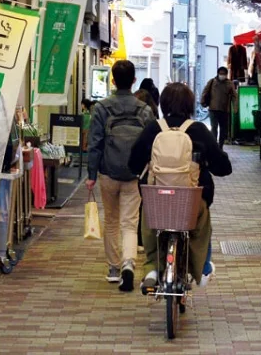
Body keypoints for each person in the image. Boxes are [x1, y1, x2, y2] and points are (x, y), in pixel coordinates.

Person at [129, 82, 232, 290]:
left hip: (157, 198)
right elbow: (223, 167)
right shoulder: (199, 130)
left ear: (163, 104)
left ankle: (152, 268)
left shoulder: (153, 129)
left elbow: (133, 163)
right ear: (189, 105)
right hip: (190, 200)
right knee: (201, 227)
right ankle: (202, 268)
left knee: (148, 219)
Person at [86, 60, 155, 291]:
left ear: (113, 81)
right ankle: (128, 263)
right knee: (129, 222)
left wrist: (91, 174)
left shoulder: (101, 108)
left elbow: (95, 143)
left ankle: (114, 269)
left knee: (111, 221)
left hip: (108, 173)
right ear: (134, 80)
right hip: (134, 175)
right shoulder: (144, 110)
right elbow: (151, 143)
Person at [201, 66, 236, 147]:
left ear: (226, 75)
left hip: (224, 110)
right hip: (213, 109)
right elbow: (205, 92)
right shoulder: (212, 82)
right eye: (221, 73)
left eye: (224, 74)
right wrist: (203, 102)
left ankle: (220, 145)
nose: (222, 75)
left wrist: (235, 108)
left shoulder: (229, 84)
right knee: (214, 127)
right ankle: (214, 145)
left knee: (223, 129)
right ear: (218, 74)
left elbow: (234, 96)